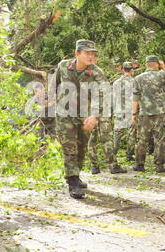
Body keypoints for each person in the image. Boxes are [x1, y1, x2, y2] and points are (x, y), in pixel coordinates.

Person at [52, 39, 107, 199]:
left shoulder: (96, 72)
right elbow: (54, 83)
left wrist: (94, 115)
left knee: (82, 147)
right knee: (69, 148)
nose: (91, 56)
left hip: (85, 115)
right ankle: (72, 181)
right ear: (77, 54)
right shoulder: (63, 66)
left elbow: (102, 94)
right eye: (87, 53)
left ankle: (76, 174)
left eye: (93, 53)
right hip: (64, 113)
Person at [131, 56, 165, 173]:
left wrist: (133, 113)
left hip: (145, 113)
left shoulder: (138, 78)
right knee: (160, 139)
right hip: (160, 113)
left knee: (142, 139)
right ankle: (159, 165)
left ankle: (139, 164)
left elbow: (135, 97)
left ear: (147, 64)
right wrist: (164, 68)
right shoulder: (162, 75)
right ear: (157, 64)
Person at [87, 52, 127, 175]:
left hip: (87, 111)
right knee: (106, 138)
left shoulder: (79, 72)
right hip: (100, 110)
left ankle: (94, 166)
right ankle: (112, 165)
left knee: (91, 139)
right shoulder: (97, 71)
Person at [113, 61, 137, 162]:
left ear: (123, 70)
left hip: (118, 111)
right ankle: (129, 155)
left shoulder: (116, 82)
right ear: (131, 70)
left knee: (117, 134)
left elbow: (113, 98)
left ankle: (113, 154)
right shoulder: (135, 82)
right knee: (131, 134)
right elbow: (136, 98)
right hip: (131, 112)